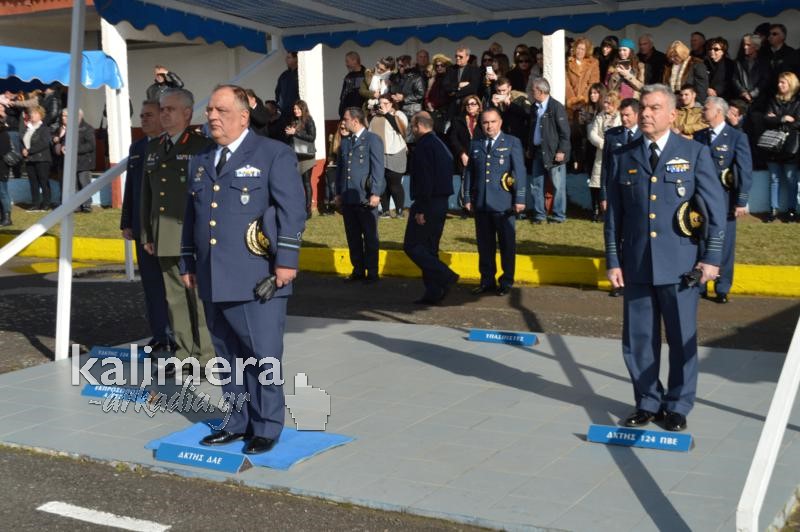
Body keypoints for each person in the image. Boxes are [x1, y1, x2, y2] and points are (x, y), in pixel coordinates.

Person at [180, 84, 306, 455]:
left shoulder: (273, 154)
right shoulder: (201, 159)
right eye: (209, 110)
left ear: (243, 116)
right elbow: (193, 216)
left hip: (257, 276)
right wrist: (188, 261)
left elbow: (292, 211)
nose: (212, 117)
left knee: (262, 355)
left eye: (220, 110)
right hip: (212, 275)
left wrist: (287, 261)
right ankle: (237, 422)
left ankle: (266, 426)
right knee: (227, 357)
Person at [604, 84, 726, 432]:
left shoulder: (694, 152)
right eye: (643, 107)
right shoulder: (623, 155)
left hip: (682, 265)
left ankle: (677, 405)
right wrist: (613, 260)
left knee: (681, 338)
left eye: (654, 108)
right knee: (639, 339)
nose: (645, 113)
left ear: (672, 114)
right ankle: (647, 401)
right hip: (637, 263)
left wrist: (711, 258)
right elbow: (614, 216)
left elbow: (715, 211)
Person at [141, 88, 216, 375]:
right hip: (164, 235)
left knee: (197, 298)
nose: (164, 114)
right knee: (174, 298)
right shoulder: (154, 147)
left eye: (170, 109)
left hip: (191, 235)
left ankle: (207, 356)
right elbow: (148, 195)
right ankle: (185, 354)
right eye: (162, 109)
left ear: (187, 113)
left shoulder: (201, 146)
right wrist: (147, 233)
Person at [120, 100, 172, 349]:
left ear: (163, 117)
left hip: (167, 227)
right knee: (151, 285)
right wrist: (126, 221)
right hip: (142, 228)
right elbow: (131, 186)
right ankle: (160, 335)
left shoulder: (171, 145)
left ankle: (178, 337)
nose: (143, 119)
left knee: (171, 285)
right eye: (141, 115)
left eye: (149, 115)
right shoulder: (138, 147)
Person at [694, 97, 753, 304]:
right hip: (701, 199)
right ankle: (700, 284)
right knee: (701, 240)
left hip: (725, 199)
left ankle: (722, 287)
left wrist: (741, 200)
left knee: (724, 243)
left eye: (706, 108)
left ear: (719, 112)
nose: (702, 111)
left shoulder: (736, 137)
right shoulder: (699, 136)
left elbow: (744, 170)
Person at [464, 108, 526, 296]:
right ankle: (487, 280)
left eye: (493, 122)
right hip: (482, 203)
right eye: (485, 122)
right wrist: (467, 197)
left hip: (503, 204)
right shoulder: (476, 144)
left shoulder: (512, 142)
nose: (489, 126)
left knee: (507, 244)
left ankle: (506, 281)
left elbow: (519, 172)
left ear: (500, 122)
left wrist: (520, 198)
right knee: (485, 245)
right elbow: (470, 173)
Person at [403, 112, 459, 305]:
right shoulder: (439, 144)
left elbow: (425, 179)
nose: (412, 130)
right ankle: (434, 291)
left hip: (428, 203)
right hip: (440, 202)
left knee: (412, 246)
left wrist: (421, 209)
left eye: (412, 126)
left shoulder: (424, 146)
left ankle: (445, 275)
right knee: (429, 248)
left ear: (418, 125)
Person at [335, 107, 385, 283]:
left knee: (370, 236)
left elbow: (378, 168)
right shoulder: (346, 142)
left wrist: (376, 192)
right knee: (353, 236)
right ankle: (358, 269)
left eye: (346, 119)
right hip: (349, 196)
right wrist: (338, 192)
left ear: (355, 121)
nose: (343, 122)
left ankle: (372, 272)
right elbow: (341, 170)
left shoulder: (372, 139)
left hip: (365, 196)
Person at [600, 97, 641, 298]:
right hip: (616, 193)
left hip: (635, 194)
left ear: (637, 115)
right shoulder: (612, 135)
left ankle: (632, 278)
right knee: (615, 235)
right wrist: (604, 194)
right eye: (622, 115)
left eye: (628, 115)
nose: (624, 119)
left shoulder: (645, 136)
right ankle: (618, 282)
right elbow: (606, 168)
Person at [528, 77, 571, 224]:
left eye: (533, 90)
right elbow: (532, 130)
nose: (531, 92)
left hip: (553, 153)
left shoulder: (556, 107)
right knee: (536, 184)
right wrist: (530, 148)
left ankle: (559, 216)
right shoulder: (534, 108)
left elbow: (565, 132)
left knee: (558, 185)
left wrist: (562, 150)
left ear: (540, 91)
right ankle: (539, 215)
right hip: (538, 151)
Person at [762, 72, 800, 222]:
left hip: (791, 145)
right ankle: (773, 209)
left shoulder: (798, 101)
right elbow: (766, 119)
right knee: (774, 179)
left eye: (783, 82)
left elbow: (798, 122)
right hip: (773, 145)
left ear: (791, 84)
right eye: (779, 82)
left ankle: (791, 210)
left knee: (791, 179)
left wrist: (776, 120)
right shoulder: (774, 100)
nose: (779, 85)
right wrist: (784, 118)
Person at [368, 94, 407, 219]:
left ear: (391, 103)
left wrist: (387, 114)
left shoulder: (398, 114)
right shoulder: (375, 117)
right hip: (379, 154)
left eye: (385, 103)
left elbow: (402, 129)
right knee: (382, 183)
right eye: (380, 103)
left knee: (394, 184)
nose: (382, 106)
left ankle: (399, 210)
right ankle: (385, 211)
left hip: (395, 153)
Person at [587, 91, 621, 222]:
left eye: (609, 103)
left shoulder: (620, 117)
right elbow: (592, 134)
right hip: (601, 154)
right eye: (605, 102)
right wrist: (603, 144)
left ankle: (613, 212)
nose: (605, 105)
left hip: (616, 154)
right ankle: (598, 211)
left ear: (615, 104)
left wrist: (613, 146)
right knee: (598, 182)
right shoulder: (600, 116)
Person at [53, 108, 96, 213]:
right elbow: (65, 141)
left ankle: (86, 205)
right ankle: (76, 206)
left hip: (84, 162)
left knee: (84, 183)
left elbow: (90, 145)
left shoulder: (87, 128)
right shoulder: (70, 127)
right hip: (72, 162)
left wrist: (73, 149)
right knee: (74, 185)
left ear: (79, 116)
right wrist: (63, 147)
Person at [449, 95, 483, 218]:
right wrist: (462, 153)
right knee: (466, 181)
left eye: (473, 104)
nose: (470, 106)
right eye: (468, 104)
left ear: (478, 106)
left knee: (479, 180)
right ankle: (465, 208)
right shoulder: (458, 120)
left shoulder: (484, 119)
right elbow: (453, 138)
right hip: (464, 155)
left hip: (481, 154)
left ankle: (478, 206)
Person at [284, 99, 316, 219]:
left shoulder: (308, 120)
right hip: (295, 155)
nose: (296, 111)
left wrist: (296, 132)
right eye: (294, 109)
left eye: (298, 108)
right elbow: (291, 139)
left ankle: (308, 210)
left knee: (306, 182)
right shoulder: (293, 121)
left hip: (306, 156)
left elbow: (312, 137)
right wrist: (288, 133)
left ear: (303, 109)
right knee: (295, 183)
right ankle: (297, 207)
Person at [21, 105, 52, 211]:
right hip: (29, 159)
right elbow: (23, 141)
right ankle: (35, 203)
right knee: (33, 182)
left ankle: (46, 203)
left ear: (40, 115)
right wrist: (23, 150)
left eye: (35, 113)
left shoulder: (44, 128)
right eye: (31, 113)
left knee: (43, 181)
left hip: (42, 159)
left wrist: (29, 151)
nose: (32, 115)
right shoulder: (28, 128)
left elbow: (44, 143)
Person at [442, 46, 482, 123]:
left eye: (460, 56)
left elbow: (473, 88)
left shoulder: (474, 70)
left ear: (467, 57)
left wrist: (455, 93)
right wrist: (458, 85)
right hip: (452, 107)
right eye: (456, 56)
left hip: (467, 106)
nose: (458, 58)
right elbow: (445, 86)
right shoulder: (451, 69)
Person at [323, 120, 350, 215]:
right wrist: (330, 161)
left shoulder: (352, 139)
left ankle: (340, 205)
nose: (343, 129)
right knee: (328, 179)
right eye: (341, 127)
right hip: (335, 165)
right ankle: (329, 205)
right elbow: (331, 154)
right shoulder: (335, 138)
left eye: (345, 127)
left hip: (346, 166)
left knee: (335, 183)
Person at [339, 51, 367, 118]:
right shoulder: (348, 76)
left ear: (355, 61)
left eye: (347, 61)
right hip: (347, 114)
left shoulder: (366, 75)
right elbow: (343, 95)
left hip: (360, 115)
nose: (346, 64)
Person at [275, 52, 299, 118]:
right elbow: (278, 91)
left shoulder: (300, 73)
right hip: (284, 112)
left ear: (296, 59)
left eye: (289, 57)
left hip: (296, 111)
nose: (286, 60)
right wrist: (279, 106)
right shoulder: (284, 75)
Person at [0, 104, 12, 226]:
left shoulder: (3, 134)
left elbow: (3, 151)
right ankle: (3, 216)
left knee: (3, 193)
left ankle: (7, 217)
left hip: (2, 168)